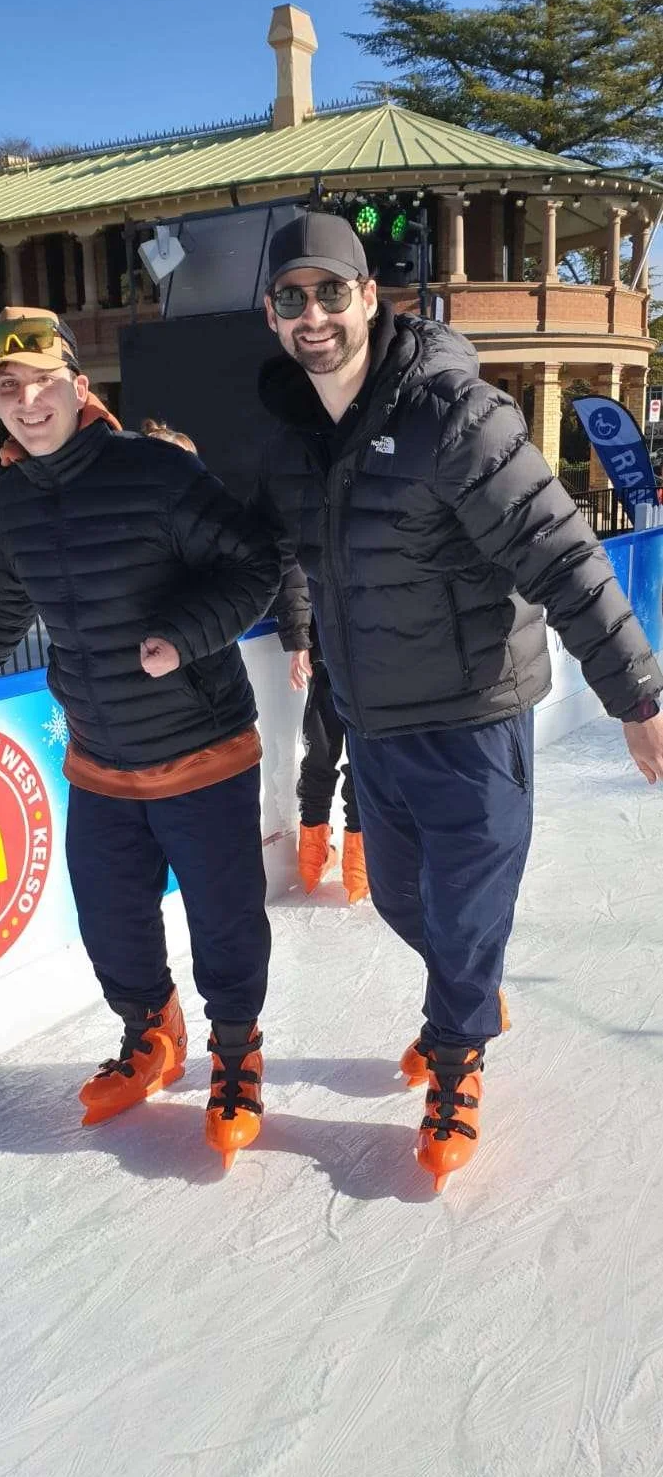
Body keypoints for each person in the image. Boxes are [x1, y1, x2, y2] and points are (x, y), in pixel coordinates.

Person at [255, 211, 663, 1191]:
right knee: (404, 900)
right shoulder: (294, 434)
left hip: (476, 712)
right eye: (292, 297)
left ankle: (456, 1051)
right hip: (376, 721)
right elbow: (281, 560)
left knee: (467, 911)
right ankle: (470, 996)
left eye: (331, 290)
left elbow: (561, 554)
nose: (314, 314)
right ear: (272, 315)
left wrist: (637, 695)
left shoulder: (454, 415)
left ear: (369, 297)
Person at [0, 307, 281, 1170]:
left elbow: (253, 563)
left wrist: (181, 637)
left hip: (202, 747)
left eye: (41, 382)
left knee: (223, 918)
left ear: (77, 386)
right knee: (110, 919)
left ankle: (236, 1051)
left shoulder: (154, 470)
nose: (27, 402)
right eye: (8, 389)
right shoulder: (13, 503)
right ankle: (151, 1035)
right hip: (101, 757)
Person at [273, 563, 369, 902]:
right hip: (371, 647)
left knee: (320, 753)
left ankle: (312, 860)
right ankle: (358, 867)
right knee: (363, 756)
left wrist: (300, 641)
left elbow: (294, 572)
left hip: (325, 643)